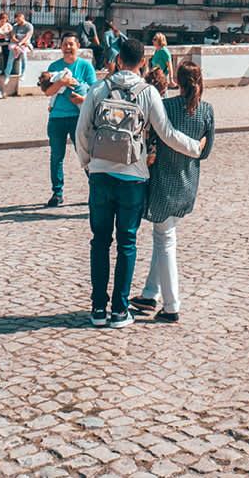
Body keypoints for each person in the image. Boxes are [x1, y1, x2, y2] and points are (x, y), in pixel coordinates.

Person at [76, 36, 204, 330]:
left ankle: (98, 307)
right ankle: (119, 310)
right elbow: (167, 133)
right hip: (133, 177)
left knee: (99, 241)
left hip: (100, 175)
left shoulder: (98, 88)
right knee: (127, 243)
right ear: (143, 62)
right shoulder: (147, 93)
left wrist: (88, 164)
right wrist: (196, 148)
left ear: (118, 59)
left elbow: (82, 132)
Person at [131, 60, 215, 324]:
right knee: (163, 236)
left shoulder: (166, 107)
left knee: (164, 240)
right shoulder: (207, 111)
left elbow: (151, 140)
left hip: (163, 183)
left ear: (176, 81)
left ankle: (171, 305)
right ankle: (149, 293)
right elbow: (206, 152)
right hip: (188, 182)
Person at [39, 34, 96, 207]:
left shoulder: (85, 66)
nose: (68, 47)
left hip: (78, 117)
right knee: (56, 156)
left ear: (77, 45)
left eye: (71, 44)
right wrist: (62, 82)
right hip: (57, 118)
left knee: (85, 155)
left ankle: (96, 189)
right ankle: (57, 192)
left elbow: (95, 92)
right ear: (61, 47)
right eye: (65, 44)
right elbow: (47, 92)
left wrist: (82, 99)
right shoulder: (54, 66)